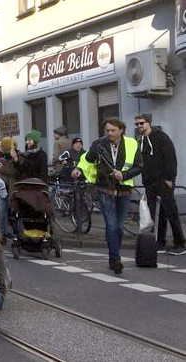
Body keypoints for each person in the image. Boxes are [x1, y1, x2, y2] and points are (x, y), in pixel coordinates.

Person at [73, 117, 142, 274]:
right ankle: (116, 258)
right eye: (107, 130)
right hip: (105, 189)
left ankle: (113, 257)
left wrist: (123, 175)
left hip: (124, 190)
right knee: (111, 225)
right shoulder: (99, 144)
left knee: (119, 227)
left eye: (112, 130)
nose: (109, 133)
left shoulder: (132, 143)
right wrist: (79, 169)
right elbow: (87, 159)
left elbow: (139, 167)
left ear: (121, 130)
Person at [135, 114, 184, 255]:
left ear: (149, 123)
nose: (139, 126)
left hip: (163, 181)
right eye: (137, 124)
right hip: (150, 182)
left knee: (171, 212)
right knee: (157, 214)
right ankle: (160, 242)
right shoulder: (141, 140)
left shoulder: (161, 137)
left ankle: (180, 243)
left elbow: (170, 157)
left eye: (141, 123)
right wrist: (145, 180)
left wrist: (169, 178)